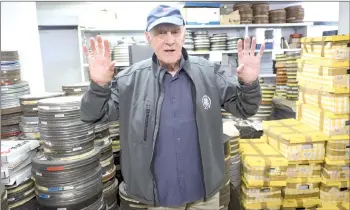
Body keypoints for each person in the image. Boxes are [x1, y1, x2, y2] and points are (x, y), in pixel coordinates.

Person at [81, 4, 264, 210]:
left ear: (184, 34)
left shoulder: (209, 73)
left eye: (175, 31)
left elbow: (245, 109)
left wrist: (249, 84)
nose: (169, 40)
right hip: (158, 196)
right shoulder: (129, 81)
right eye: (160, 33)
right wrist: (98, 87)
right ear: (148, 38)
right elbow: (93, 115)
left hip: (204, 193)